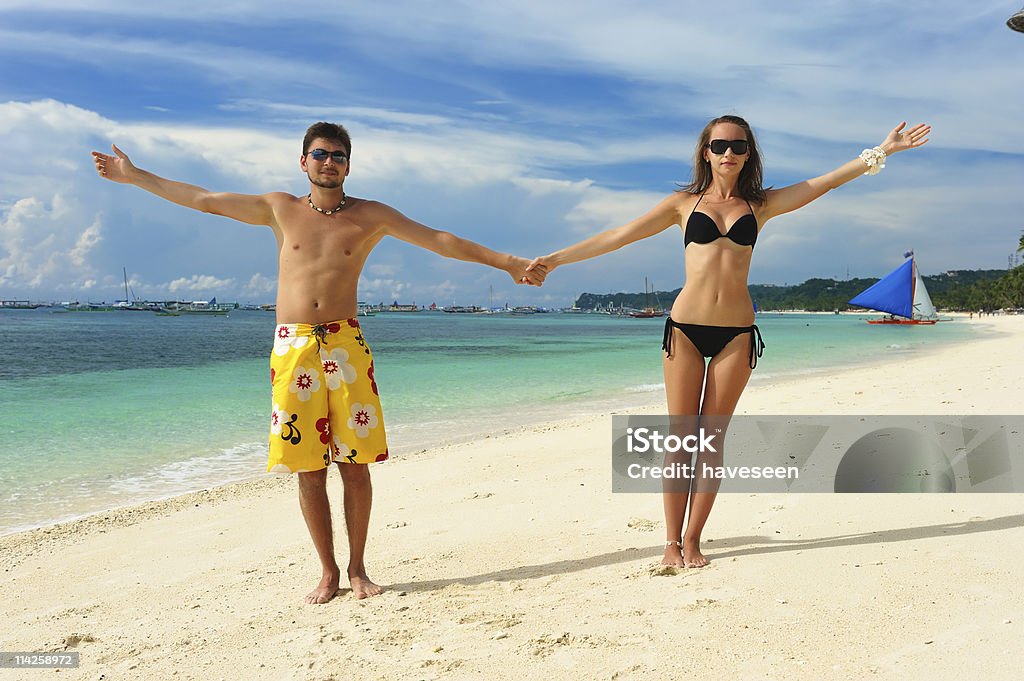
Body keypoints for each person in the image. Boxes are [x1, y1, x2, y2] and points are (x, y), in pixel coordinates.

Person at [91, 122, 546, 603]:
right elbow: (203, 198)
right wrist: (136, 176)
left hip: (345, 345)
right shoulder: (279, 208)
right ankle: (327, 572)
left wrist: (509, 262)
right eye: (320, 154)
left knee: (356, 464)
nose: (329, 162)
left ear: (349, 164)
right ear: (303, 160)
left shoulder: (372, 216)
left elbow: (441, 240)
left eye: (339, 156)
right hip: (293, 349)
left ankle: (358, 569)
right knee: (308, 467)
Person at [527, 115, 929, 568]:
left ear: (749, 153)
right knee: (681, 438)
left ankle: (694, 539)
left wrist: (883, 150)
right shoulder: (682, 205)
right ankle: (670, 542)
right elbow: (617, 237)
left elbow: (825, 183)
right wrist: (554, 260)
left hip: (736, 333)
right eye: (720, 146)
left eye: (738, 146)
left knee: (712, 439)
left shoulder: (762, 205)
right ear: (706, 152)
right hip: (685, 329)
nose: (729, 154)